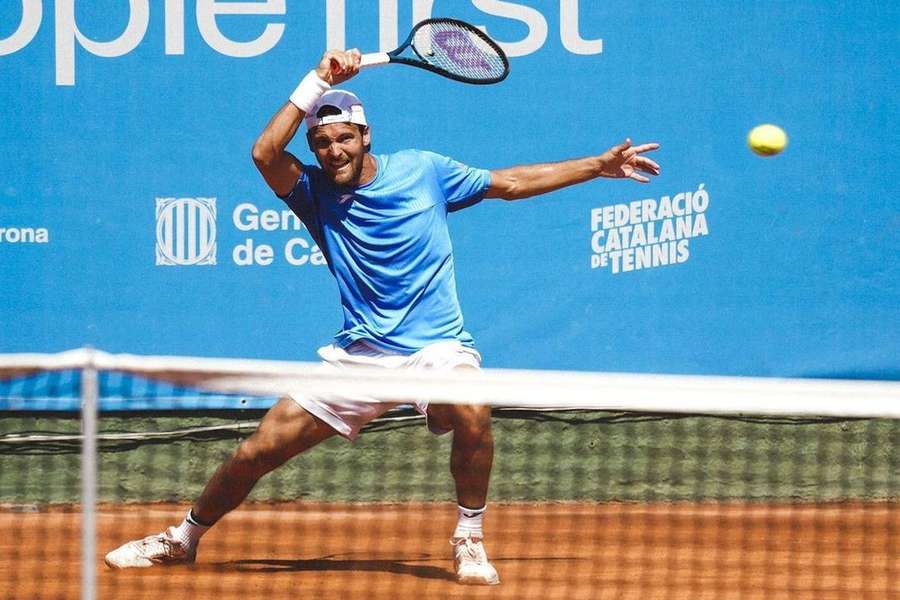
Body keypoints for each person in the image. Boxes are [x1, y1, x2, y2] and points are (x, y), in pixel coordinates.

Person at [104, 49, 660, 586]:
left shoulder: (424, 171)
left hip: (436, 348)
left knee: (473, 406)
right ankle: (183, 537)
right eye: (321, 143)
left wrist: (597, 166)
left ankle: (469, 535)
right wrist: (315, 80)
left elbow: (509, 184)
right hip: (360, 355)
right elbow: (264, 153)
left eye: (344, 138)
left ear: (366, 136)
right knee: (255, 453)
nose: (334, 151)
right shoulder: (311, 192)